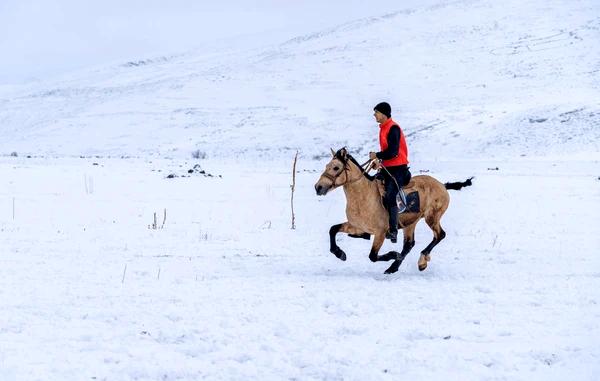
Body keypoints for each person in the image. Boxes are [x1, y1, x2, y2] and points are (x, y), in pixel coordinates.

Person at [369, 102, 411, 243]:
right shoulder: (383, 128)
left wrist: (377, 155)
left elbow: (393, 152)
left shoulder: (393, 128)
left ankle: (393, 231)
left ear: (384, 113)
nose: (374, 115)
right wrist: (379, 162)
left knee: (391, 195)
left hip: (398, 169)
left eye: (376, 112)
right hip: (388, 167)